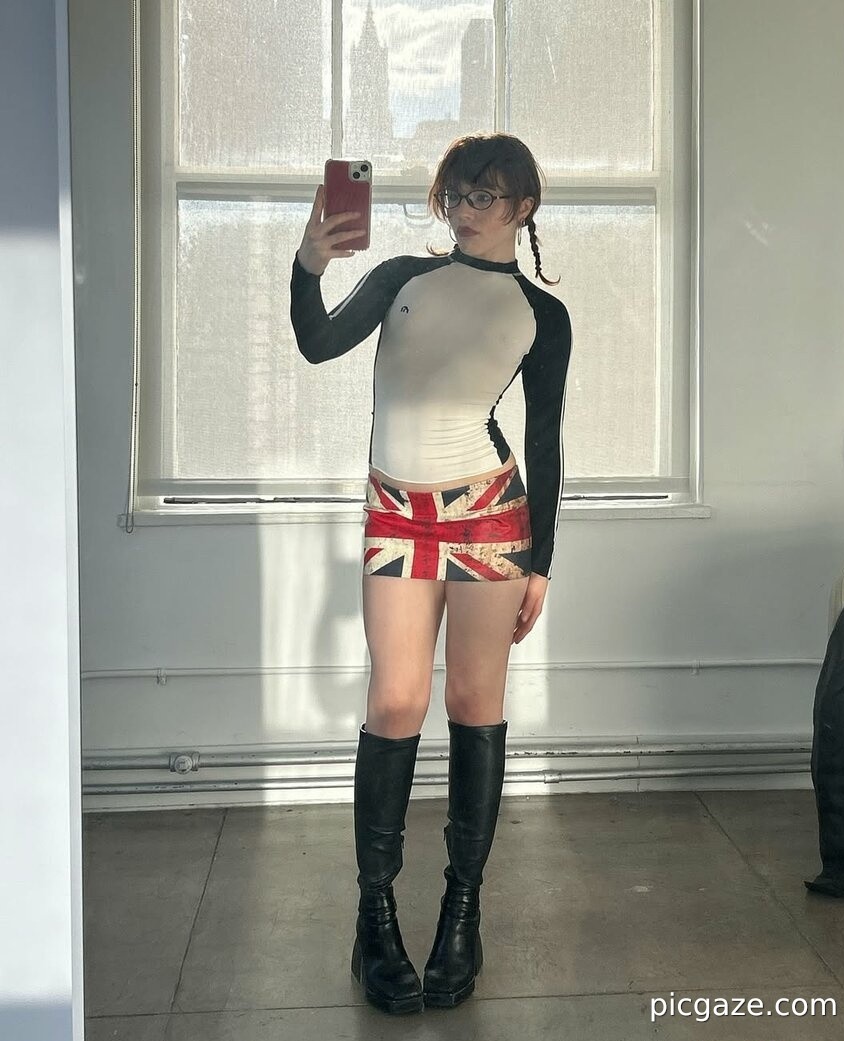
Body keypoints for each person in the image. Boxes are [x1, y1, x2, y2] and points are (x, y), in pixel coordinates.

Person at [289, 132, 573, 1015]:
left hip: (491, 515)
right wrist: (308, 265)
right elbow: (316, 343)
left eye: (484, 196)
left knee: (473, 702)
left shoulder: (541, 313)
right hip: (396, 512)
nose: (464, 210)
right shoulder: (401, 277)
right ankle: (374, 920)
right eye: (454, 194)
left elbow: (545, 442)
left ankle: (462, 914)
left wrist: (542, 564)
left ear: (523, 205)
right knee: (396, 701)